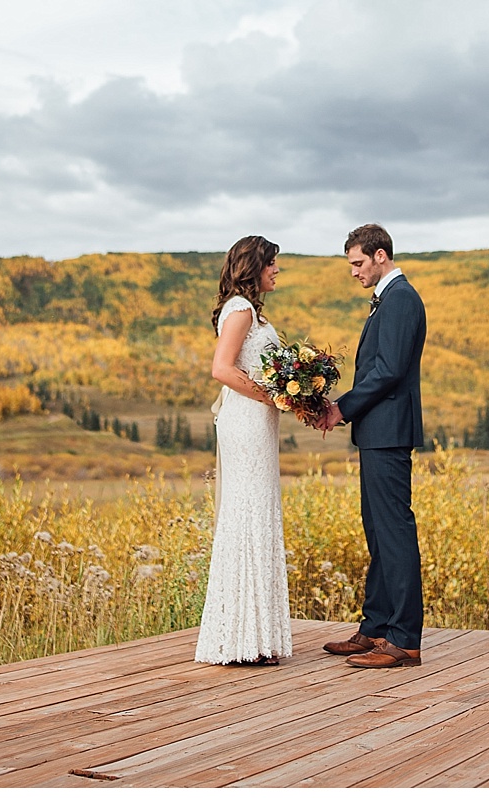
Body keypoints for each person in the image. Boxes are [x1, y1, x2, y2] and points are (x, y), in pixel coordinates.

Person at [318, 223, 427, 668]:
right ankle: (376, 628)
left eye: (358, 263)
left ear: (381, 256)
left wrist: (341, 408)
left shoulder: (401, 298)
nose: (354, 272)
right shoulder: (388, 299)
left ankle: (404, 639)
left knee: (394, 533)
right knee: (378, 531)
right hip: (377, 433)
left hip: (389, 432)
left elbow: (387, 371)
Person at [193, 235, 293, 666]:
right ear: (254, 266)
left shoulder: (254, 313)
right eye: (272, 264)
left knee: (259, 512)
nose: (277, 271)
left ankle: (255, 635)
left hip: (259, 425)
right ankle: (238, 636)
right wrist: (272, 397)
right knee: (247, 514)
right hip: (247, 424)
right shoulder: (240, 310)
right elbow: (221, 368)